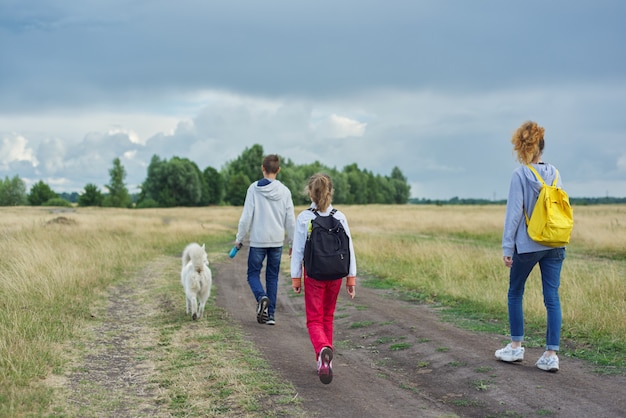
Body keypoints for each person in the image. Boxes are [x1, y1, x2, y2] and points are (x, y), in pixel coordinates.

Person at [496, 121, 566, 372]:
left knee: (515, 292)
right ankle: (550, 355)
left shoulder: (521, 174)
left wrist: (507, 248)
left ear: (522, 148)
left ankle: (515, 347)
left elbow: (514, 214)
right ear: (542, 148)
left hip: (527, 245)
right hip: (555, 242)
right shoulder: (555, 172)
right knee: (552, 298)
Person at [290, 173, 356, 384]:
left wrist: (296, 278)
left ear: (310, 192)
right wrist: (351, 278)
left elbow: (298, 251)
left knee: (314, 319)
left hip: (314, 275)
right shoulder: (340, 216)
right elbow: (350, 249)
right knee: (328, 316)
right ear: (330, 192)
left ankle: (322, 350)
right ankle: (324, 363)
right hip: (336, 275)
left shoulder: (304, 217)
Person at [235, 154, 296, 326]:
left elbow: (246, 217)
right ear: (278, 170)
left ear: (263, 168)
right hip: (277, 242)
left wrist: (239, 238)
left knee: (253, 274)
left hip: (258, 241)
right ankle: (271, 316)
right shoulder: (285, 191)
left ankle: (261, 296)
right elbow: (290, 221)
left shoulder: (254, 189)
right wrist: (292, 243)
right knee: (272, 277)